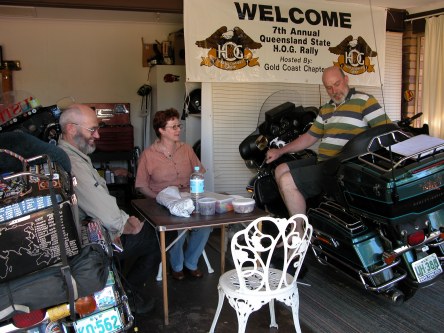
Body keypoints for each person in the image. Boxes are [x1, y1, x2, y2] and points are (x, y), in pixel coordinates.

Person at [58, 104, 160, 314]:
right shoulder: (71, 162)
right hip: (90, 242)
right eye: (91, 130)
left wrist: (123, 219)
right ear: (70, 129)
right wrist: (124, 223)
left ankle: (124, 290)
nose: (97, 134)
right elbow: (101, 208)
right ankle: (128, 296)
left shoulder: (70, 154)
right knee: (152, 238)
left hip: (89, 230)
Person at [266, 66, 391, 217]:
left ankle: (298, 233)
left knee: (287, 181)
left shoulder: (364, 101)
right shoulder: (326, 108)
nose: (334, 91)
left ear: (346, 80)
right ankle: (304, 215)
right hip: (325, 162)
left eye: (337, 84)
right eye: (329, 87)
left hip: (342, 168)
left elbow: (386, 131)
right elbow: (310, 137)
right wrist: (280, 151)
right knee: (280, 169)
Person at [135, 108, 211, 281]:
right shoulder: (149, 155)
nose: (178, 130)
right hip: (162, 199)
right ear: (161, 130)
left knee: (205, 224)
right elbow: (141, 185)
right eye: (173, 127)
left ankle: (191, 262)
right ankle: (177, 265)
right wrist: (161, 199)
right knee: (177, 226)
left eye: (179, 125)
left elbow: (199, 171)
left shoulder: (187, 149)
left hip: (188, 196)